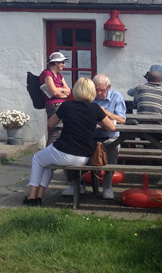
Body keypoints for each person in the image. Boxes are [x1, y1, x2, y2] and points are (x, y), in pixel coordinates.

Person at [23, 77, 115, 206]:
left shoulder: (66, 106)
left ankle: (32, 197)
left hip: (64, 151)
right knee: (47, 164)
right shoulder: (95, 108)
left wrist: (64, 117)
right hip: (84, 157)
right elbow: (111, 127)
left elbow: (51, 123)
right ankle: (39, 196)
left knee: (38, 158)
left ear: (76, 90)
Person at [91, 74, 127, 200]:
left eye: (102, 89)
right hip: (92, 135)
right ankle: (76, 185)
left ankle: (107, 187)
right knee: (69, 146)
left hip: (109, 136)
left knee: (112, 148)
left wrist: (106, 114)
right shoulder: (89, 97)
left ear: (108, 87)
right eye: (96, 89)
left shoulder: (117, 97)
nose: (99, 93)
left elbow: (122, 119)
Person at [39, 52, 71, 145]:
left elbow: (68, 91)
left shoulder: (60, 75)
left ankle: (55, 153)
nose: (64, 65)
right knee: (57, 129)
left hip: (62, 104)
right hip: (54, 105)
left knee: (62, 130)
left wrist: (59, 91)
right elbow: (53, 92)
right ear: (55, 63)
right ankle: (47, 154)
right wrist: (61, 91)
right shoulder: (47, 73)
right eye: (62, 62)